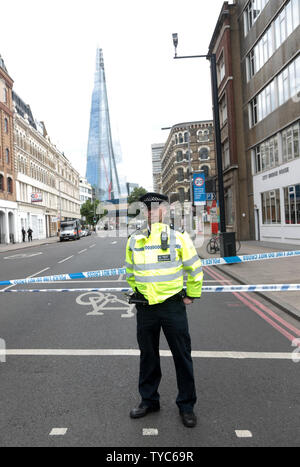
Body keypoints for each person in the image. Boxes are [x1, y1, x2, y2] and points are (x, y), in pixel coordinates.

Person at [125, 192, 203, 428]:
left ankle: (186, 405)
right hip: (145, 306)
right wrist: (137, 291)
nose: (150, 212)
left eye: (155, 208)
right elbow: (130, 271)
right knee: (148, 356)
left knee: (182, 355)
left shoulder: (178, 237)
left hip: (172, 305)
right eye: (146, 209)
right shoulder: (134, 239)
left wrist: (191, 294)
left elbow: (194, 268)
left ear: (164, 211)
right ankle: (149, 400)